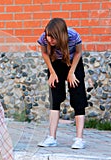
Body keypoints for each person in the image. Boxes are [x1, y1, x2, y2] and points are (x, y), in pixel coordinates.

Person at [37, 18, 88, 149]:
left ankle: (79, 139)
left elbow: (78, 52)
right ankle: (51, 138)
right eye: (48, 36)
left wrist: (71, 72)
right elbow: (44, 53)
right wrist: (52, 72)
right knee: (55, 98)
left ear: (61, 35)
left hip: (73, 62)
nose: (49, 40)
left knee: (78, 98)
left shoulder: (73, 36)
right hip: (55, 64)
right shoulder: (44, 38)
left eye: (53, 38)